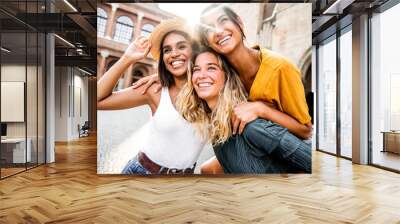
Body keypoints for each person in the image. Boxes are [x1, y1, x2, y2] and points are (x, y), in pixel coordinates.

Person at [133, 6, 312, 174]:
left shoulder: (280, 68)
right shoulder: (225, 69)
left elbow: (305, 131)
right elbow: (203, 72)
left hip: (280, 146)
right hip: (249, 145)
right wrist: (167, 77)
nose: (218, 31)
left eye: (223, 21)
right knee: (207, 169)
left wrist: (260, 109)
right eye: (209, 28)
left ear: (239, 23)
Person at [176, 47, 311, 173]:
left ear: (227, 77)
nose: (201, 75)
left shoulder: (252, 127)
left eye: (211, 68)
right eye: (196, 69)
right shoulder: (219, 128)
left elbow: (311, 161)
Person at [97, 19, 205, 175]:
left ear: (195, 51)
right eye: (167, 50)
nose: (174, 54)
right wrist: (127, 58)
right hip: (142, 173)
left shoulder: (210, 91)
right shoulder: (155, 89)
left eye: (181, 46)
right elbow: (98, 100)